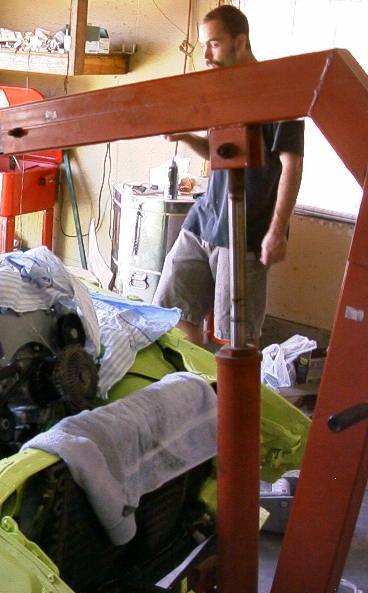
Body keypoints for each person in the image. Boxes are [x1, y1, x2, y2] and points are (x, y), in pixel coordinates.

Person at [152, 5, 304, 346]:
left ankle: (229, 384)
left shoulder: (281, 93)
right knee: (173, 312)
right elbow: (220, 153)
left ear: (240, 42)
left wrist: (277, 231)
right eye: (203, 45)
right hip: (205, 219)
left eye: (214, 44)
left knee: (236, 337)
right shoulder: (224, 91)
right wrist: (187, 137)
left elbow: (292, 166)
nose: (205, 55)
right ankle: (191, 380)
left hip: (246, 231)